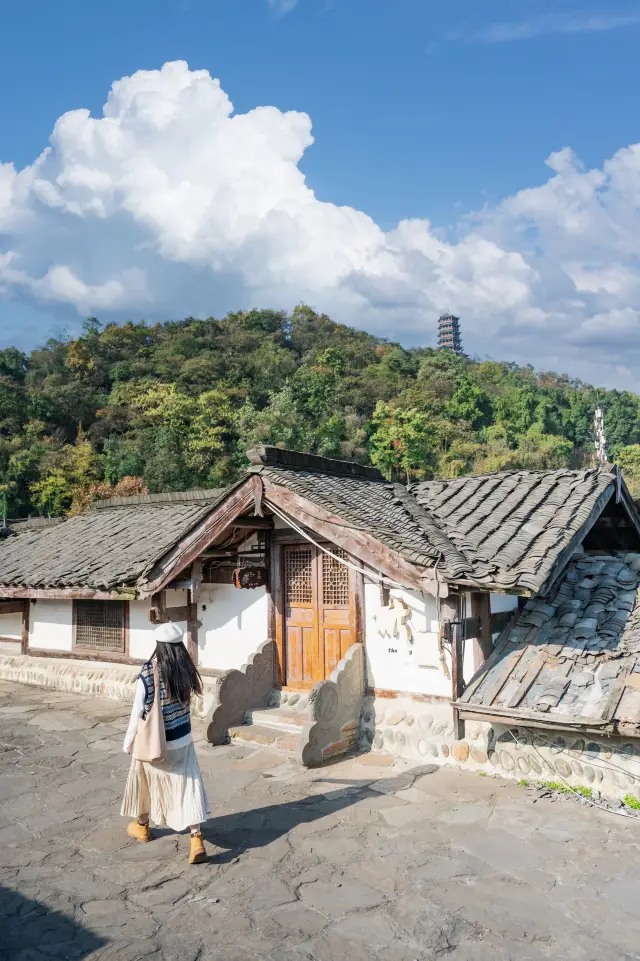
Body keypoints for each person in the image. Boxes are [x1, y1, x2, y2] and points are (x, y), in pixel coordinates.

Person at [121, 622, 210, 864]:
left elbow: (138, 711)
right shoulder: (186, 670)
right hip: (183, 739)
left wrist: (129, 742)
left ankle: (142, 826)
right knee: (189, 787)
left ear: (159, 645)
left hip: (155, 742)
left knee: (143, 781)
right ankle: (196, 839)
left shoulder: (148, 673)